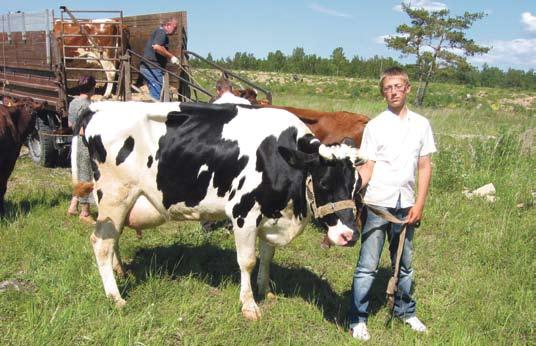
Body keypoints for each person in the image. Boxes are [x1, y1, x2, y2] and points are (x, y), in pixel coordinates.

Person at [349, 67, 437, 341]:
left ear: (407, 88)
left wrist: (419, 204)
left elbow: (424, 167)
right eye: (388, 88)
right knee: (367, 266)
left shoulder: (421, 124)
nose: (393, 91)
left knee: (405, 265)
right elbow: (368, 167)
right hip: (377, 204)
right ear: (383, 92)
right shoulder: (375, 126)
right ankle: (358, 319)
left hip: (406, 205)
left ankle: (405, 311)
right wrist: (353, 192)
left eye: (398, 86)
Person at [67, 75, 97, 224]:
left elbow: (70, 123)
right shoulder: (88, 106)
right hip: (85, 142)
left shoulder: (73, 102)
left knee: (79, 173)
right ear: (92, 88)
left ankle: (73, 206)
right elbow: (83, 130)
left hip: (75, 141)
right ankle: (85, 213)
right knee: (86, 175)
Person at [140, 17, 181, 100]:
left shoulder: (160, 32)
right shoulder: (161, 32)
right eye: (175, 27)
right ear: (168, 25)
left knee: (158, 91)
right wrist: (172, 57)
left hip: (151, 67)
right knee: (157, 94)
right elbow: (157, 47)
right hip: (152, 67)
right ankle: (156, 111)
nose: (175, 30)